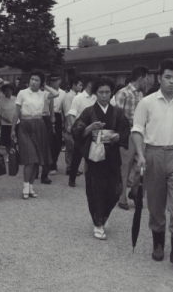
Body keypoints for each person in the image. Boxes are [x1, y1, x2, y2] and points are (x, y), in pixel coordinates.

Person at [132, 58, 173, 273]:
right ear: (159, 78)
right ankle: (158, 244)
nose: (171, 82)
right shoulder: (147, 102)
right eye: (167, 77)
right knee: (156, 205)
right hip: (153, 154)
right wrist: (140, 155)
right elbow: (137, 130)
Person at [71, 77, 130, 240]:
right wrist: (90, 128)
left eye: (107, 92)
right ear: (95, 94)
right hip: (94, 157)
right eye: (101, 92)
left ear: (111, 93)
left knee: (115, 190)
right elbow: (75, 130)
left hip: (112, 155)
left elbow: (126, 130)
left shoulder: (117, 112)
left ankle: (103, 216)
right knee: (95, 190)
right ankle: (98, 223)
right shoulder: (89, 111)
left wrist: (118, 137)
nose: (104, 95)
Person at [10, 70, 59, 198]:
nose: (33, 82)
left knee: (37, 158)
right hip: (25, 125)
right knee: (29, 158)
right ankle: (25, 187)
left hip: (40, 124)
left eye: (37, 80)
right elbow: (16, 112)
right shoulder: (22, 93)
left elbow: (56, 93)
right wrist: (12, 129)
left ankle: (31, 188)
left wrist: (45, 85)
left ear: (41, 83)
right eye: (32, 79)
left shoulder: (43, 94)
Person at [114, 65, 149, 209]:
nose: (147, 83)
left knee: (142, 166)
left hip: (140, 134)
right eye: (146, 80)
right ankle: (122, 199)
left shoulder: (140, 94)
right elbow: (116, 115)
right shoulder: (123, 93)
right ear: (140, 79)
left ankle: (135, 192)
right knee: (125, 166)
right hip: (127, 133)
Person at [67, 75, 97, 187]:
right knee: (77, 156)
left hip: (93, 129)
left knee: (92, 155)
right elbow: (72, 114)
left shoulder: (95, 97)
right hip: (81, 130)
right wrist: (75, 131)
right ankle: (72, 178)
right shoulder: (78, 98)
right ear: (89, 84)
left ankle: (91, 179)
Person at [62, 76, 83, 177]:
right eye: (79, 85)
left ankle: (74, 167)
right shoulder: (69, 96)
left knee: (75, 147)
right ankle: (69, 167)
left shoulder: (78, 95)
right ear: (74, 85)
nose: (81, 87)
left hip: (76, 123)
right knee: (70, 146)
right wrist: (70, 126)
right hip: (71, 124)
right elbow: (67, 112)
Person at [49, 73, 65, 174]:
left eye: (56, 80)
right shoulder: (46, 92)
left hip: (58, 117)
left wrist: (64, 123)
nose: (54, 83)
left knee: (58, 142)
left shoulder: (63, 93)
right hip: (48, 116)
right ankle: (51, 165)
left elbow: (64, 108)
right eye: (52, 81)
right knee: (50, 142)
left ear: (60, 81)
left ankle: (54, 161)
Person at [0, 83, 16, 159]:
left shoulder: (16, 99)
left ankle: (15, 154)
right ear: (3, 92)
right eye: (6, 91)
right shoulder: (1, 101)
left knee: (15, 140)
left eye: (9, 90)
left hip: (16, 123)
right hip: (6, 124)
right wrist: (5, 119)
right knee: (7, 141)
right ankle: (8, 155)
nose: (8, 92)